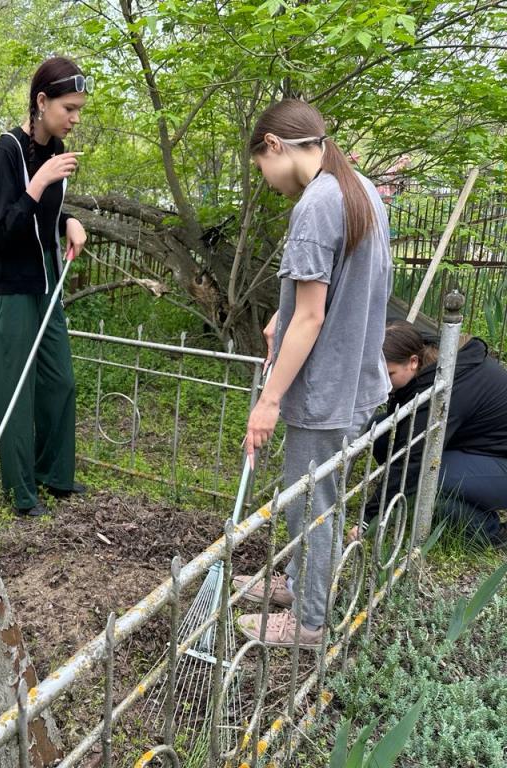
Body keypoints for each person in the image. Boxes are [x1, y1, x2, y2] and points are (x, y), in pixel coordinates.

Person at [231, 100, 393, 649]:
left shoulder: (316, 204)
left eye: (261, 169)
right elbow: (334, 289)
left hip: (327, 385)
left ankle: (307, 623)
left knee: (311, 503)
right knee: (317, 496)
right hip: (357, 376)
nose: (268, 183)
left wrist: (269, 399)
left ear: (274, 145)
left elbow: (313, 315)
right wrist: (285, 311)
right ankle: (299, 583)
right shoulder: (359, 189)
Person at [0, 56, 90, 517]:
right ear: (41, 102)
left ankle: (54, 474)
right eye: (69, 108)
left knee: (59, 381)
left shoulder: (52, 150)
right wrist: (39, 183)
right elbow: (1, 231)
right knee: (16, 388)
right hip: (11, 283)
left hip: (47, 274)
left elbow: (43, 214)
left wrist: (69, 221)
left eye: (79, 109)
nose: (75, 118)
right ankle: (22, 493)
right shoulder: (6, 153)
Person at [350, 321, 507, 547]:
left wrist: (368, 519)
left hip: (500, 463)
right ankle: (411, 497)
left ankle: (491, 533)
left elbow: (412, 460)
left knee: (429, 477)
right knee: (381, 429)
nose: (381, 383)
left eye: (389, 374)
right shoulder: (429, 363)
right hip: (478, 448)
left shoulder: (443, 389)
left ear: (413, 362)